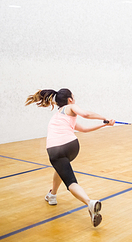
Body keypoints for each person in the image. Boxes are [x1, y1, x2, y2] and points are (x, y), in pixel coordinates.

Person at [25, 88, 115, 227]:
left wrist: (105, 124)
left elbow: (83, 125)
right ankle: (52, 195)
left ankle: (89, 203)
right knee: (61, 168)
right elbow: (85, 119)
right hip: (72, 147)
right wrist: (104, 119)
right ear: (70, 100)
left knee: (71, 182)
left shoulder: (58, 115)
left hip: (55, 150)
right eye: (74, 96)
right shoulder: (70, 107)